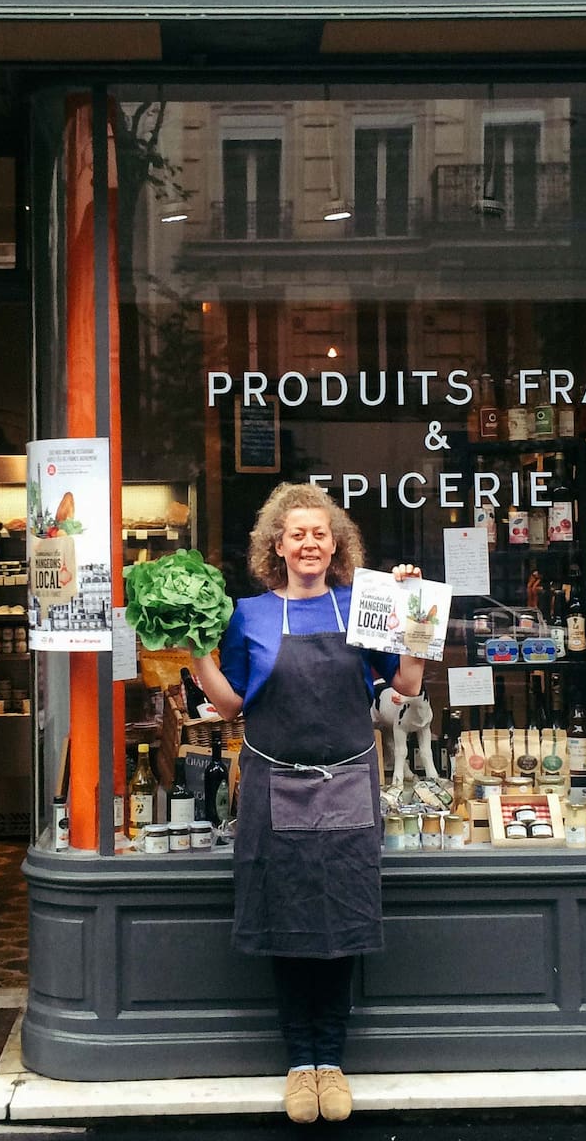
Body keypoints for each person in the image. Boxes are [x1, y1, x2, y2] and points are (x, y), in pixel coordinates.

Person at [193, 481, 425, 1124]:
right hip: (274, 786)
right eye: (297, 532)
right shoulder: (249, 615)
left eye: (320, 532)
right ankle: (300, 1063)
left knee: (343, 921)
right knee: (286, 924)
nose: (309, 542)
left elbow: (405, 684)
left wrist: (412, 612)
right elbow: (232, 704)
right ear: (277, 544)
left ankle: (333, 1059)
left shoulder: (366, 603)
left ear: (337, 543)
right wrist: (192, 654)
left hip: (349, 782)